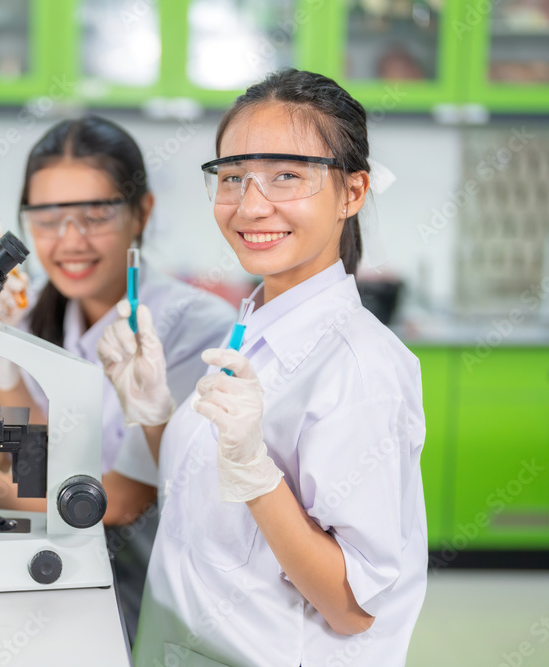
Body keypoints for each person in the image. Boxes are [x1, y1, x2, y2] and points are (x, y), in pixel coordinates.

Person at [97, 69, 427, 666]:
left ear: (352, 193)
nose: (250, 205)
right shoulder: (255, 321)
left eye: (286, 176)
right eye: (232, 178)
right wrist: (152, 415)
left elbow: (352, 606)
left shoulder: (361, 369)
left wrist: (257, 472)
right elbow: (205, 501)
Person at [0, 115, 236, 643]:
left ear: (141, 213)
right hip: (73, 562)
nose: (69, 240)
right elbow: (39, 460)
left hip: (161, 582)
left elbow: (124, 501)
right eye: (47, 218)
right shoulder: (41, 319)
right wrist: (5, 368)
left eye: (95, 214)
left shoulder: (192, 324)